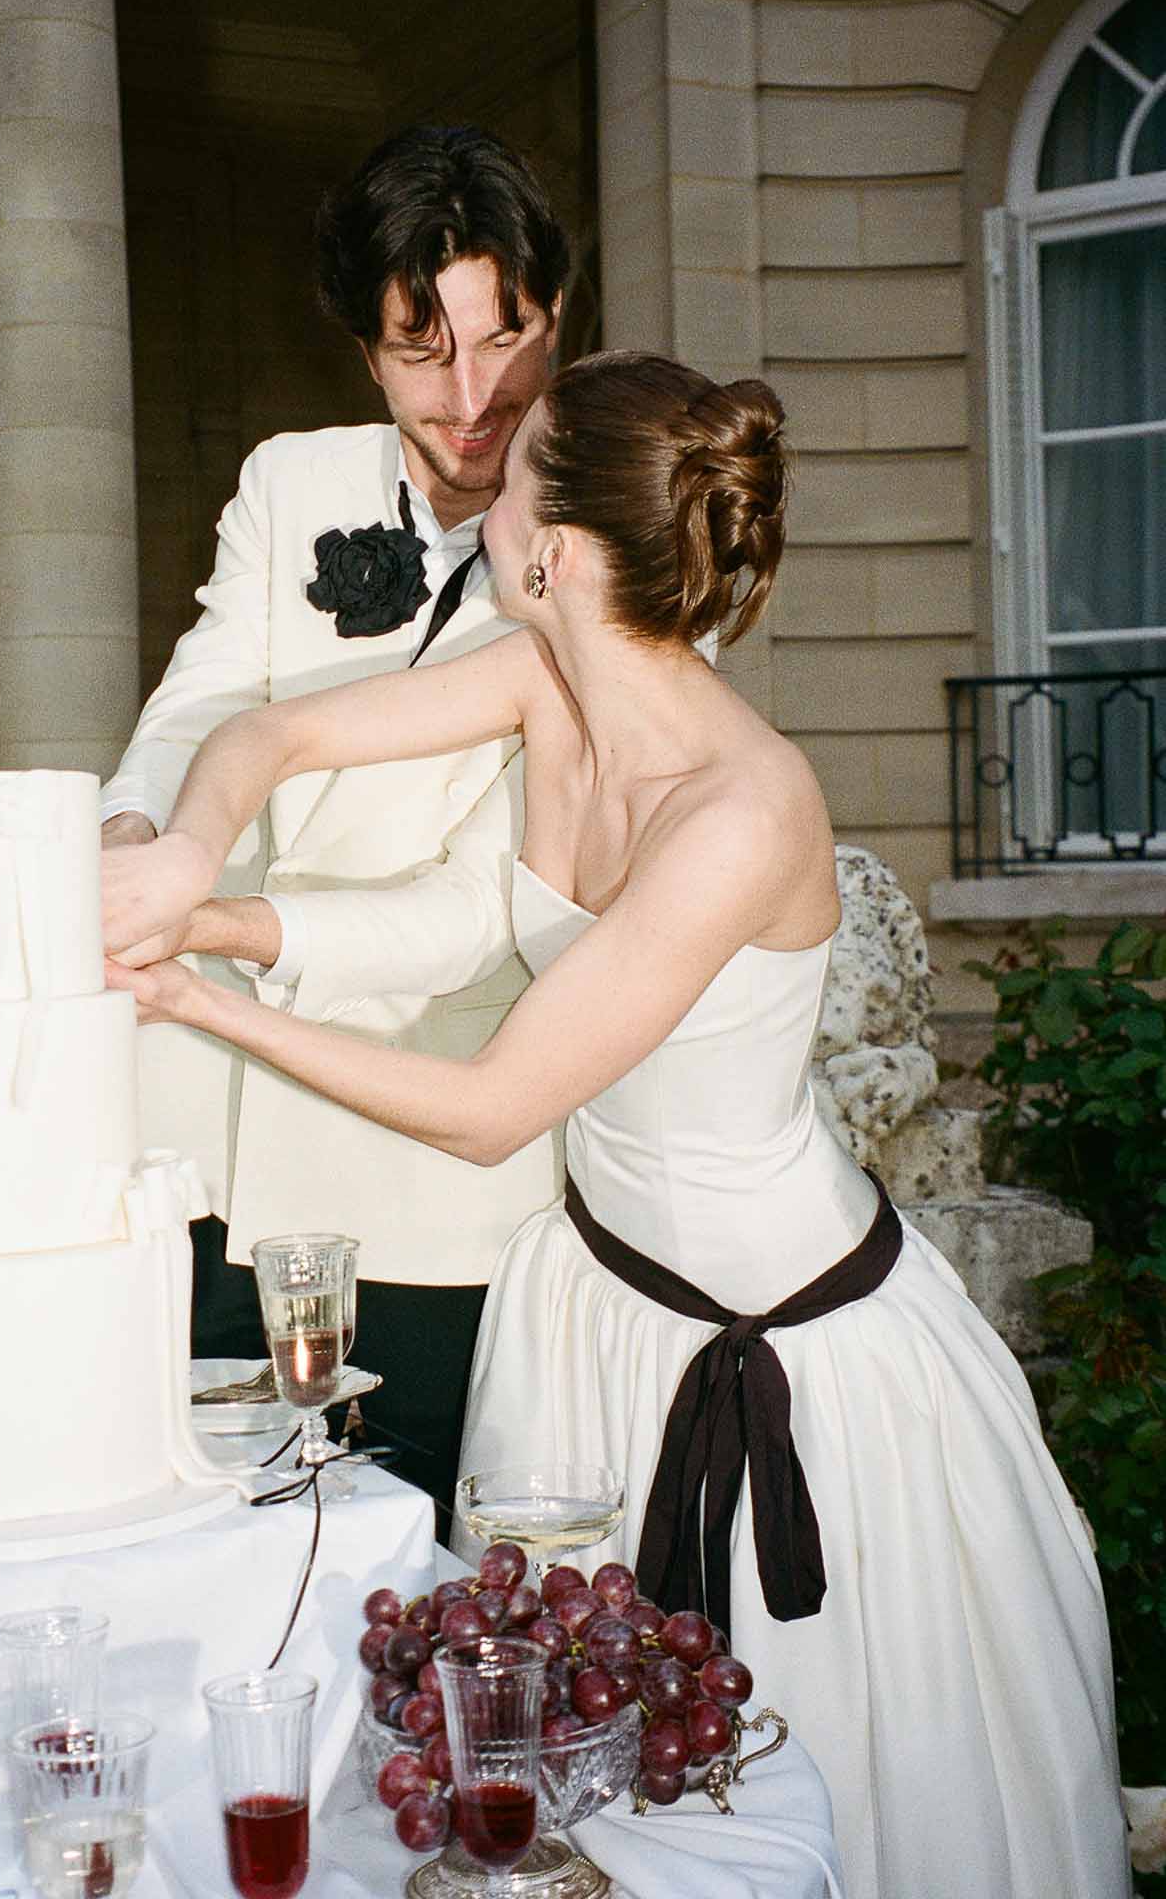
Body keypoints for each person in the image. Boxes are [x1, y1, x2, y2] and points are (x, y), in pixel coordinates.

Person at [103, 348, 1131, 1899]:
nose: (482, 492)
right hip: (590, 1308)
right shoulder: (544, 677)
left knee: (841, 1785)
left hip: (795, 1354)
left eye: (514, 472)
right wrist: (190, 869)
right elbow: (264, 739)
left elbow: (492, 1107)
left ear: (555, 551)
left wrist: (202, 1000)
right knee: (573, 1792)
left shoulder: (744, 808)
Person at [100, 125, 570, 1530]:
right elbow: (200, 699)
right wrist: (134, 839)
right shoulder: (288, 480)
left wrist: (217, 922)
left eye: (506, 339)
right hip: (202, 1143)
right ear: (366, 351)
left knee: (405, 1568)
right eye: (423, 352)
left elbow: (478, 912)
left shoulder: (629, 546)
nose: (473, 399)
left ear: (556, 315)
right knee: (206, 1537)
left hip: (421, 1178)